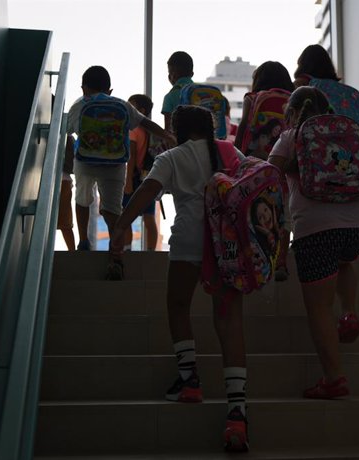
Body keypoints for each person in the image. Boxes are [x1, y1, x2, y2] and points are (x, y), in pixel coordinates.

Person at [109, 105, 250, 452]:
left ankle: (190, 381)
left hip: (190, 238)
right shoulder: (231, 152)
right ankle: (237, 411)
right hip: (228, 242)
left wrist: (121, 227)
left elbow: (146, 192)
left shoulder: (172, 156)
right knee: (229, 319)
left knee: (178, 306)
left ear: (180, 129)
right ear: (210, 128)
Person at [268, 86, 359, 399]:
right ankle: (350, 312)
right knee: (345, 262)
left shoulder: (292, 135)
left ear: (292, 111)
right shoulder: (346, 135)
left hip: (316, 228)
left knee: (318, 306)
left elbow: (269, 173)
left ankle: (333, 378)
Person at [66, 66, 173, 280]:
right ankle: (116, 258)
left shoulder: (79, 104)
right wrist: (168, 136)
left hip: (86, 162)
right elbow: (145, 122)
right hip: (115, 164)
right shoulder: (121, 104)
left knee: (83, 199)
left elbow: (68, 131)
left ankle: (83, 242)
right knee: (113, 210)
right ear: (110, 89)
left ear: (83, 87)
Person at [235, 61, 294, 281]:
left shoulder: (253, 97)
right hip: (285, 163)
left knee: (256, 208)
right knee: (284, 213)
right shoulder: (293, 98)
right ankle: (281, 263)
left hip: (256, 163)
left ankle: (255, 259)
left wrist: (239, 157)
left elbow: (243, 127)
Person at [123, 94, 160, 251]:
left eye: (131, 106)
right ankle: (151, 252)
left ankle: (127, 249)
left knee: (126, 217)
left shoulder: (133, 129)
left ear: (140, 110)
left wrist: (128, 181)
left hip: (134, 177)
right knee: (149, 217)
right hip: (149, 177)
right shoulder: (150, 130)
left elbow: (130, 156)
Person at [162, 51, 194, 131]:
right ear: (192, 74)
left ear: (172, 75)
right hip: (207, 141)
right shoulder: (202, 92)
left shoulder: (170, 96)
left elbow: (168, 130)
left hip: (182, 142)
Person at [58, 135, 76, 251]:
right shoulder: (68, 137)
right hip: (65, 179)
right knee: (65, 223)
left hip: (61, 180)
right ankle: (72, 252)